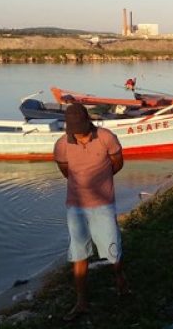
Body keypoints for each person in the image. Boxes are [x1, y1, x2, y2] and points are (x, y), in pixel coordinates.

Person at [53, 104, 128, 322]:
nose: (78, 132)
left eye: (81, 127)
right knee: (79, 253)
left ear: (88, 120)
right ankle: (81, 301)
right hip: (75, 206)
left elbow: (118, 163)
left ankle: (120, 278)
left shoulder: (106, 137)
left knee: (113, 248)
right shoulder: (61, 145)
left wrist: (101, 180)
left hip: (103, 204)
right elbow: (66, 170)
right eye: (73, 129)